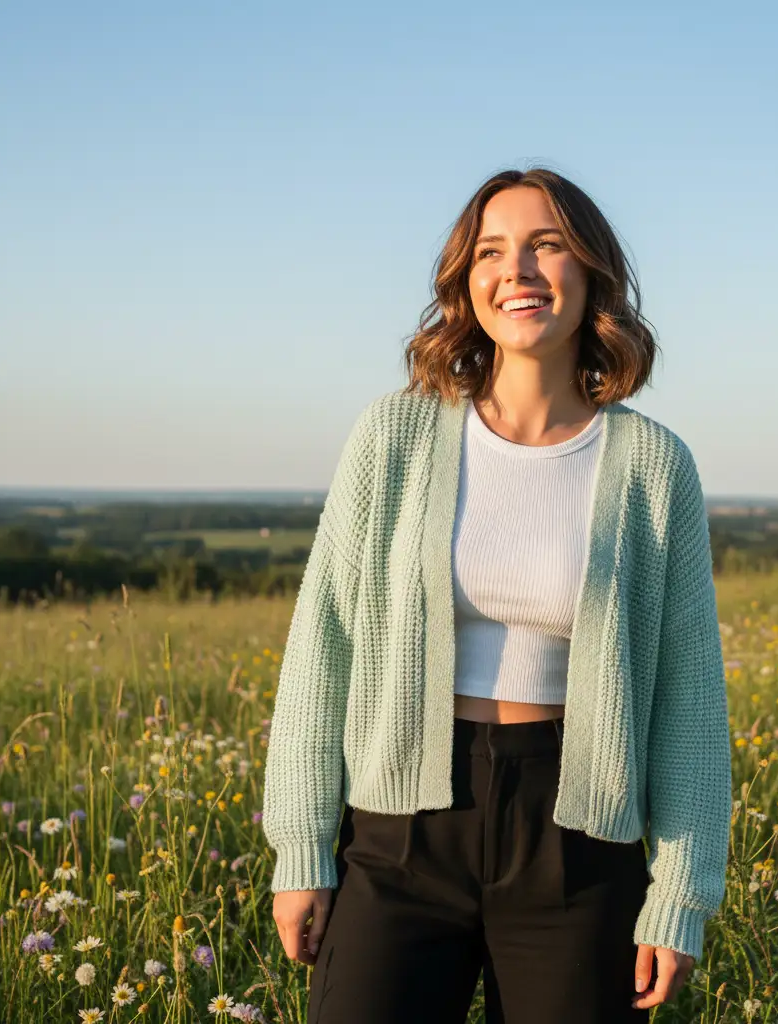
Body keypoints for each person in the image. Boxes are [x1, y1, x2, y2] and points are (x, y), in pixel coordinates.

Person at [263, 167, 732, 1023]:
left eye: (546, 245)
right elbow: (320, 647)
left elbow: (689, 696)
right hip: (399, 825)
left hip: (579, 838)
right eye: (491, 251)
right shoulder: (393, 436)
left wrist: (681, 895)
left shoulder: (655, 466)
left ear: (591, 273)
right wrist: (300, 848)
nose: (516, 270)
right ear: (465, 280)